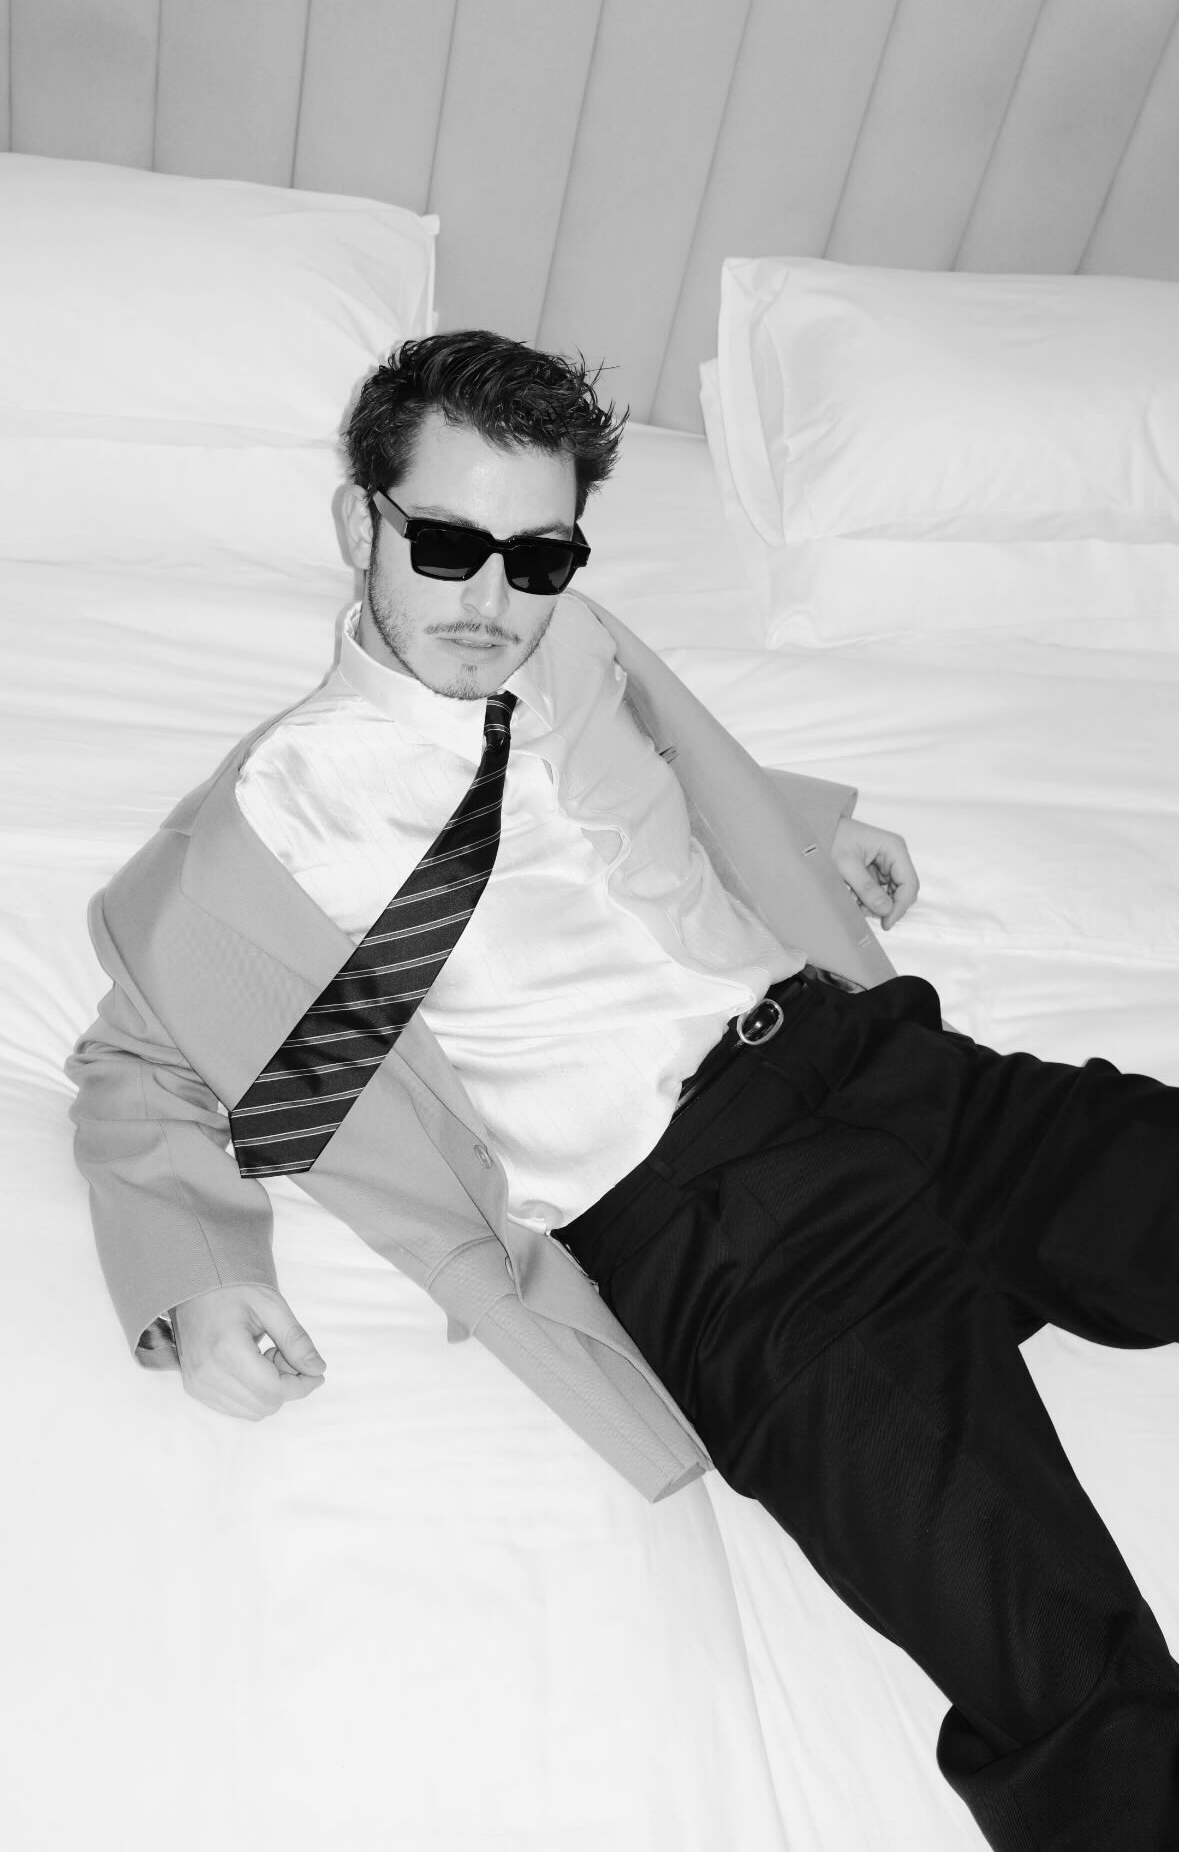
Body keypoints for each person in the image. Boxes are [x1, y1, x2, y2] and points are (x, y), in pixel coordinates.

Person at [69, 330, 1179, 1852]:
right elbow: (134, 1065)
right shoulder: (268, 824)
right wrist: (195, 1275)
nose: (491, 600)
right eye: (446, 546)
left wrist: (802, 829)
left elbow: (650, 774)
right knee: (1070, 1672)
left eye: (538, 556)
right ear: (358, 523)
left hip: (879, 1065)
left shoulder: (571, 640)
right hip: (730, 1240)